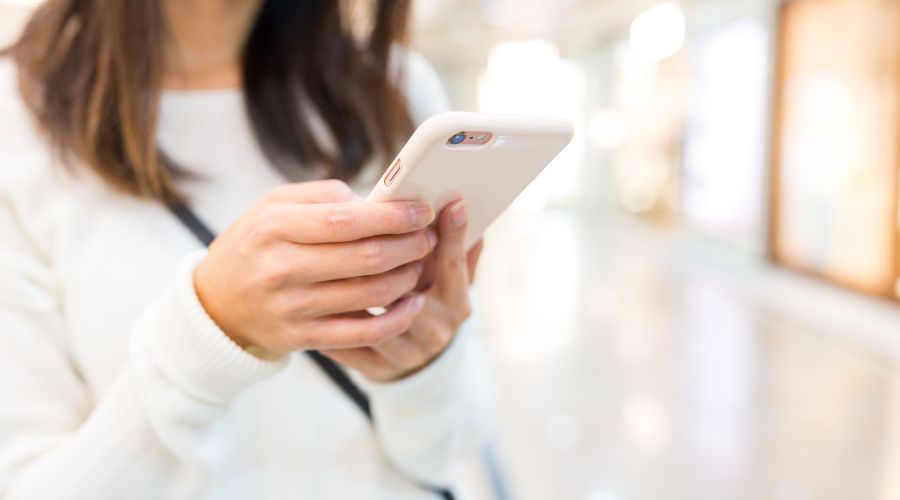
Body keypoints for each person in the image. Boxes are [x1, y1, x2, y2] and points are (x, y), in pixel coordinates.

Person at [0, 1, 492, 498]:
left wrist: (423, 369)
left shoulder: (392, 87)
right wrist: (209, 333)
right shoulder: (16, 121)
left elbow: (449, 452)